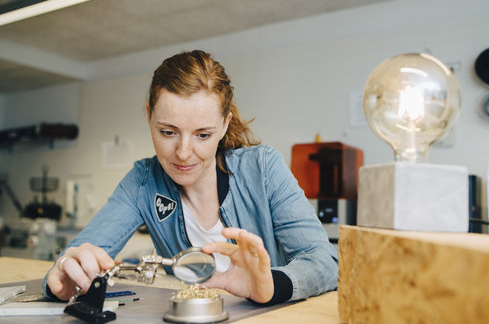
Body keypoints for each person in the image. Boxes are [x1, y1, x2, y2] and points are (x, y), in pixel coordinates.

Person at [44, 50, 338, 305]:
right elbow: (76, 256)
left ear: (224, 125)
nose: (183, 153)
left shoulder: (263, 168)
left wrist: (270, 286)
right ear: (149, 117)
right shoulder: (143, 181)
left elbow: (324, 261)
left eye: (203, 135)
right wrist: (62, 275)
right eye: (168, 132)